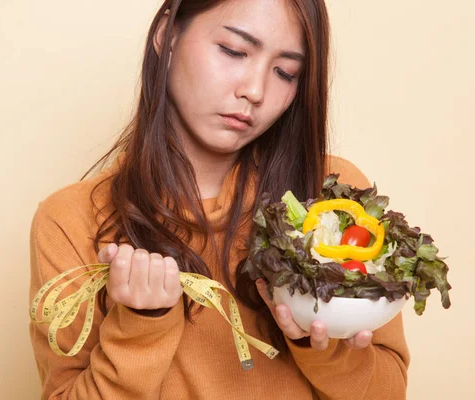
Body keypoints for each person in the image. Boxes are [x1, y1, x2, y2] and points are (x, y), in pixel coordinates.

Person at [28, 0, 410, 398]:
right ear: (167, 35)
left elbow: (389, 391)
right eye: (234, 51)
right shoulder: (71, 220)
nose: (255, 90)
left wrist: (319, 347)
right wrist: (141, 326)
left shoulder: (334, 200)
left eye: (285, 72)